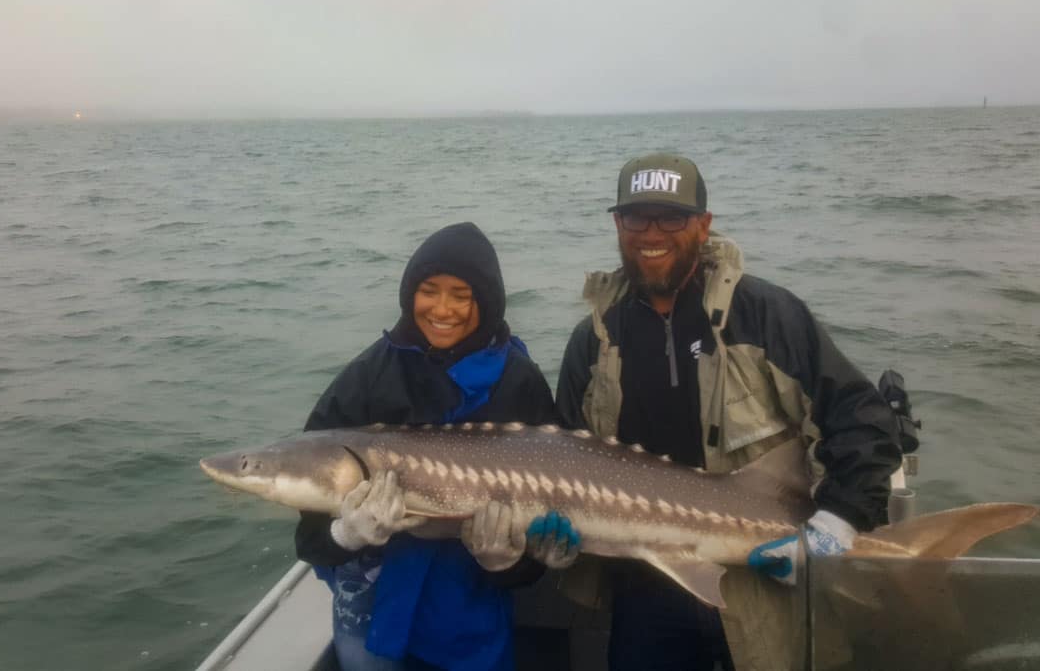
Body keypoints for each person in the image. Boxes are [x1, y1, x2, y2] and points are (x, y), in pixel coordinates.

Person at [554, 154, 902, 671]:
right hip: (644, 595)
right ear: (617, 224)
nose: (652, 233)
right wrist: (552, 537)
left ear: (703, 224)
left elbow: (863, 421)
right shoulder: (592, 341)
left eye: (670, 217)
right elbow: (562, 458)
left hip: (767, 588)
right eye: (636, 217)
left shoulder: (765, 316)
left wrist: (838, 521)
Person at [294, 221, 574, 671]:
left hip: (465, 619)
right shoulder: (367, 376)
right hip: (371, 617)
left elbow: (540, 547)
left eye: (461, 295)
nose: (442, 309)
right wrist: (345, 534)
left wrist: (517, 561)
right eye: (429, 290)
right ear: (410, 294)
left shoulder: (519, 382)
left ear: (485, 300)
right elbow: (309, 538)